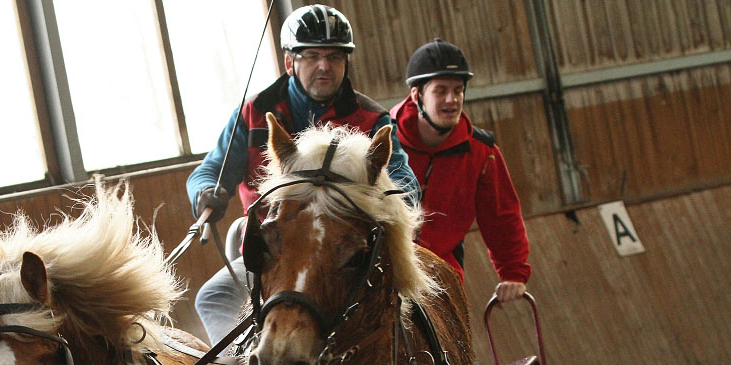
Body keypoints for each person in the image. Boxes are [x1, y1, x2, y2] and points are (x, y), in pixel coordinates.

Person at [186, 4, 421, 345]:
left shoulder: (373, 120)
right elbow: (209, 170)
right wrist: (206, 191)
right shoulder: (254, 111)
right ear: (289, 62)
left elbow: (405, 188)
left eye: (335, 57)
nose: (324, 66)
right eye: (311, 55)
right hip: (276, 252)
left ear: (346, 62)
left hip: (344, 257)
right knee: (213, 297)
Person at [389, 38, 531, 302]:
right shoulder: (384, 142)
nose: (451, 100)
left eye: (458, 90)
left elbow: (502, 216)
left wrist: (512, 273)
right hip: (385, 273)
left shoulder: (481, 152)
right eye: (440, 91)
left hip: (441, 276)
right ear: (416, 95)